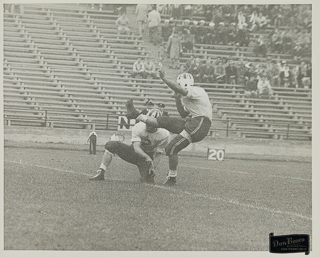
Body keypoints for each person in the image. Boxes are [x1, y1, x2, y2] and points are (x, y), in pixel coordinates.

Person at [126, 69, 212, 186]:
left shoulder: (196, 90)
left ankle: (172, 178)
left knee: (171, 148)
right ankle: (136, 114)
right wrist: (177, 98)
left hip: (200, 123)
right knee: (164, 121)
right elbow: (183, 114)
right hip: (193, 122)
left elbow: (180, 89)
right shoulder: (189, 97)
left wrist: (164, 79)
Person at [89, 109, 170, 184]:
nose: (148, 125)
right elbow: (136, 148)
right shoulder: (139, 127)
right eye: (147, 122)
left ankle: (145, 175)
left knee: (147, 181)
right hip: (133, 153)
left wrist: (152, 167)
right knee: (111, 145)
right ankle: (101, 172)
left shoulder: (164, 134)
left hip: (146, 159)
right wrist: (147, 157)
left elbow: (158, 154)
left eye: (151, 124)